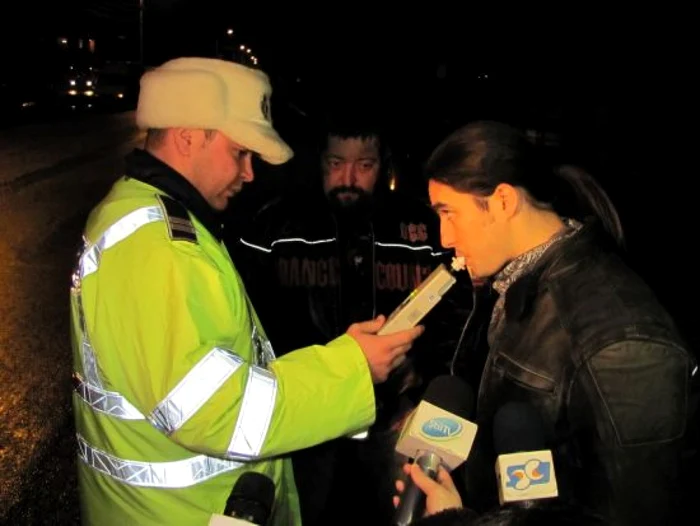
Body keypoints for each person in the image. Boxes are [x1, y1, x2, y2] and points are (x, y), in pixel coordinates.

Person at [68, 57, 424, 526]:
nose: (250, 173)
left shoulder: (149, 216)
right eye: (240, 153)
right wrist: (351, 366)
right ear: (189, 136)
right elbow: (214, 410)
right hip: (179, 514)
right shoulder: (160, 248)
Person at [419, 120, 696, 525]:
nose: (443, 237)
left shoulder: (622, 341)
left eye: (449, 214)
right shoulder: (509, 283)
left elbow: (635, 508)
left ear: (501, 202)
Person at [234, 108, 472, 525]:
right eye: (336, 163)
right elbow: (249, 326)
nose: (348, 179)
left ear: (384, 166)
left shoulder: (424, 229)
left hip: (398, 420)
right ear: (320, 163)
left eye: (364, 165)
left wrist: (423, 381)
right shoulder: (273, 227)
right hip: (309, 426)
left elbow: (460, 322)